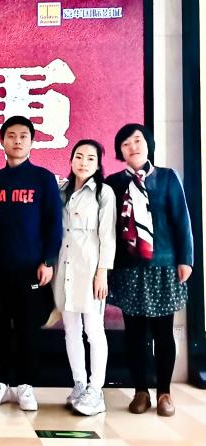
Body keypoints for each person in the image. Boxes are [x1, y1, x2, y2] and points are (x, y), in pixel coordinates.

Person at [106, 124, 193, 417]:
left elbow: (182, 220)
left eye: (138, 141)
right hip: (129, 268)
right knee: (134, 334)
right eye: (126, 144)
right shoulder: (114, 183)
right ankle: (140, 391)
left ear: (148, 144)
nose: (133, 147)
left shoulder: (167, 177)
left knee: (163, 333)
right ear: (120, 151)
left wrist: (186, 259)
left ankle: (164, 392)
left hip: (163, 266)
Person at [0, 115, 62, 411]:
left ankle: (25, 385)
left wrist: (48, 260)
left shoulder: (43, 178)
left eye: (23, 136)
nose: (17, 141)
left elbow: (54, 222)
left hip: (31, 268)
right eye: (11, 136)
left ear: (32, 141)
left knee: (29, 328)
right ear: (2, 141)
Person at [51, 140, 116, 416]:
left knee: (94, 330)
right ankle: (78, 384)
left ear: (98, 164)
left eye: (90, 158)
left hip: (90, 271)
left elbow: (108, 237)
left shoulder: (103, 193)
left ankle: (96, 390)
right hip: (64, 270)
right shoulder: (61, 190)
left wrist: (102, 273)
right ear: (71, 160)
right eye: (79, 156)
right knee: (71, 330)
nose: (83, 162)